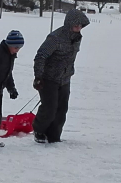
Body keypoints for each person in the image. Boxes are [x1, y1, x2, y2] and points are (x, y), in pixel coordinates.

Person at [32, 9, 90, 143]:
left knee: (61, 110)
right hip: (49, 78)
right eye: (76, 26)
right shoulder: (55, 38)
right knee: (50, 108)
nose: (78, 28)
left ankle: (54, 135)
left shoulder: (76, 39)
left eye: (81, 26)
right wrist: (38, 76)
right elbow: (40, 56)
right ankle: (39, 130)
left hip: (65, 78)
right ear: (69, 24)